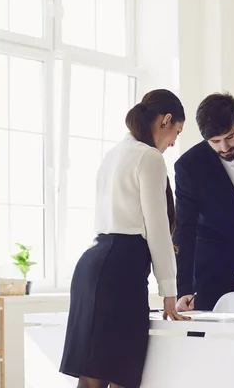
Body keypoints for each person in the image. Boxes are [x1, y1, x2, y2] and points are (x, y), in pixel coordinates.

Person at [60, 89, 190, 388]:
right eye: (176, 132)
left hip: (94, 264)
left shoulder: (115, 152)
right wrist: (169, 291)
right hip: (121, 268)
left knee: (93, 373)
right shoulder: (149, 157)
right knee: (121, 373)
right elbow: (156, 229)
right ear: (166, 120)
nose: (173, 141)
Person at [173, 92, 234, 313]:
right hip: (212, 275)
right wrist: (184, 290)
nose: (224, 147)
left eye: (229, 136)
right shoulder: (189, 166)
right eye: (215, 142)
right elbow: (184, 229)